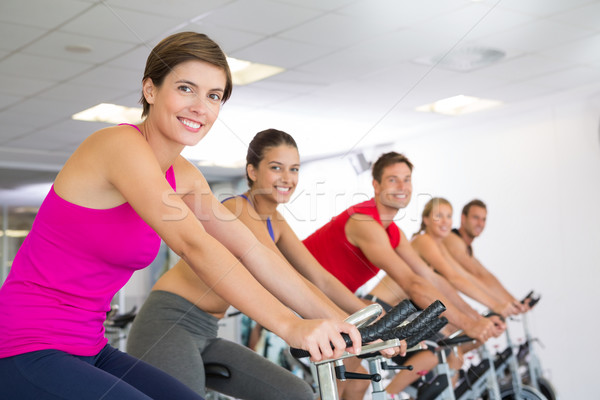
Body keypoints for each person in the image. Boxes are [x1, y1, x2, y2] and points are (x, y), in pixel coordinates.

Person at [0, 32, 360, 400]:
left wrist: (349, 325)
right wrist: (290, 325)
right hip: (25, 345)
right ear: (150, 90)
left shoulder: (184, 176)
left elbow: (253, 252)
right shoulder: (117, 146)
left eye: (213, 96)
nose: (200, 107)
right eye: (186, 88)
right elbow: (195, 245)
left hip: (89, 346)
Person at [127, 128, 402, 400]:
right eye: (276, 167)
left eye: (294, 169)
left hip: (207, 330)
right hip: (168, 324)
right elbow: (282, 277)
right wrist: (350, 326)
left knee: (295, 393)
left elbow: (320, 278)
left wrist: (377, 323)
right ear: (252, 171)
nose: (287, 178)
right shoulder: (238, 210)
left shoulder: (276, 222)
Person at [303, 152, 503, 396]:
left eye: (407, 179)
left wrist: (475, 318)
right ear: (375, 185)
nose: (402, 187)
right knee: (347, 381)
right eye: (393, 180)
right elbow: (412, 283)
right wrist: (469, 324)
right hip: (300, 294)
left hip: (331, 297)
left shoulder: (393, 231)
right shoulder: (365, 222)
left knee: (360, 381)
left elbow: (433, 279)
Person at [412, 197, 518, 318]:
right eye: (438, 216)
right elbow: (456, 277)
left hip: (416, 309)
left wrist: (503, 303)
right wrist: (495, 305)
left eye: (448, 216)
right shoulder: (426, 241)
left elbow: (465, 276)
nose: (445, 221)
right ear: (426, 219)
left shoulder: (440, 246)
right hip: (396, 309)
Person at [442, 199, 527, 314]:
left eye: (483, 219)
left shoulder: (467, 247)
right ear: (463, 218)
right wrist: (500, 303)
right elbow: (475, 274)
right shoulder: (453, 240)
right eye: (475, 218)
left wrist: (513, 301)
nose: (480, 223)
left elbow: (486, 275)